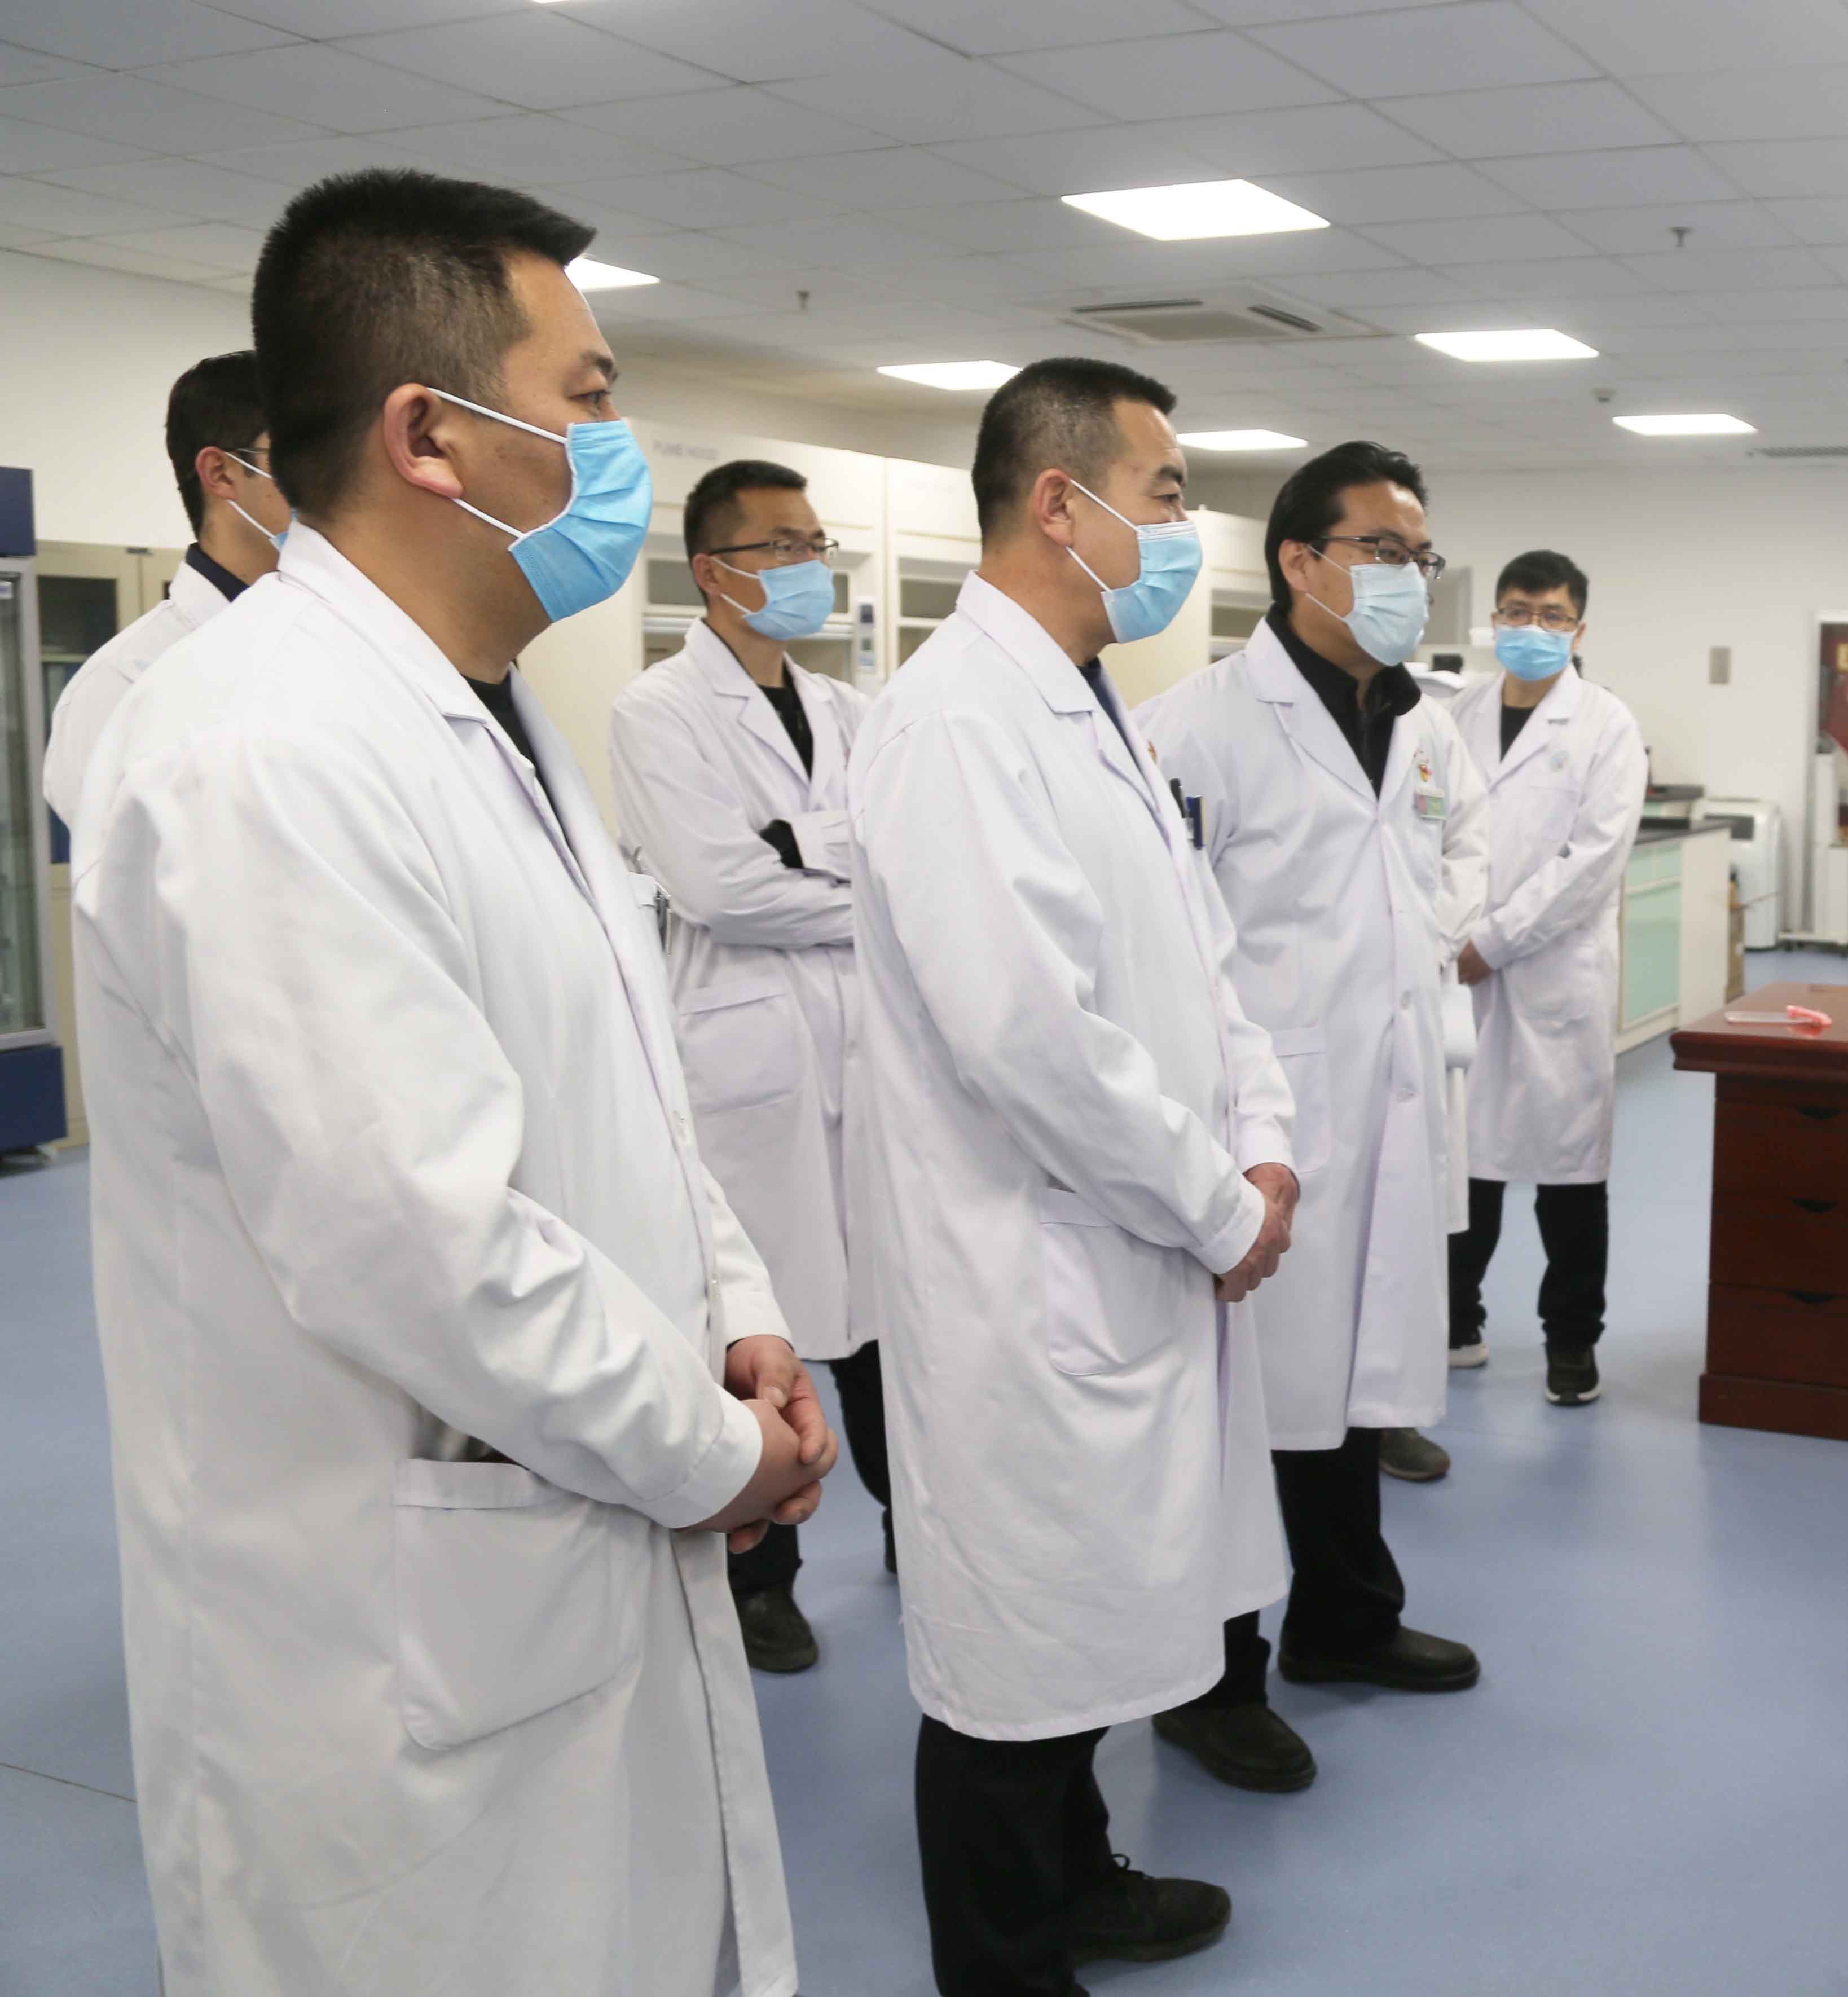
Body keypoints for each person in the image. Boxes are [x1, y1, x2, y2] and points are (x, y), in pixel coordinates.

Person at [72, 168, 830, 1997]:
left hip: (567, 1517)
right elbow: (416, 1239)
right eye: (588, 397)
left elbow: (628, 1079)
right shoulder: (260, 748)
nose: (616, 449)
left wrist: (735, 1311)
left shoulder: (485, 713)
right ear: (431, 436)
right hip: (384, 1637)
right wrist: (710, 1449)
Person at [845, 356, 1295, 1996]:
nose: (1181, 525)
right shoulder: (955, 721)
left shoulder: (1083, 698)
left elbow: (1201, 959)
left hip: (1131, 1240)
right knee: (1012, 1661)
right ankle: (1003, 1964)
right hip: (1029, 1275)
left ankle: (1081, 1879)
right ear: (1059, 501)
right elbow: (1032, 1036)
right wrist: (1220, 1203)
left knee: (1089, 1622)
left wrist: (1260, 1134)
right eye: (1165, 492)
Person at [1139, 441, 1490, 1795]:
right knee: (1247, 1404)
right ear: (1299, 560)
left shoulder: (1421, 719)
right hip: (1263, 1120)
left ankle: (1346, 1618)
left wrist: (1430, 939)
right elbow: (1170, 945)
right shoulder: (1197, 726)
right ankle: (1211, 1681)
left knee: (1349, 1385)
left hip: (1390, 1097)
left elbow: (1450, 859)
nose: (1409, 577)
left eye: (1420, 555)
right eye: (1382, 551)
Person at [611, 458, 891, 1675]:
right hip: (743, 1057)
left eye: (813, 544)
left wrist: (802, 849)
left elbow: (896, 857)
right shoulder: (656, 712)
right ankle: (760, 1575)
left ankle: (921, 1528)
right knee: (753, 1330)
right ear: (712, 571)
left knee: (887, 1318)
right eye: (779, 547)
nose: (806, 566)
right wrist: (853, 885)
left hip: (861, 1052)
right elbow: (719, 888)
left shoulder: (850, 712)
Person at [1447, 549, 1647, 1406]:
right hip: (1460, 967)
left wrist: (1492, 941)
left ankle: (1571, 1345)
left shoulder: (1607, 725)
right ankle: (1456, 1320)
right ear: (1494, 618)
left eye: (1552, 616)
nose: (1533, 628)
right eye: (1518, 612)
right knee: (1466, 1164)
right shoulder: (1455, 714)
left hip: (1553, 974)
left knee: (1568, 1175)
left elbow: (1591, 862)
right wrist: (1454, 935)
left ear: (1579, 628)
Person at [40, 349, 292, 835]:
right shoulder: (121, 686)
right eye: (299, 456)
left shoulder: (343, 642)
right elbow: (120, 866)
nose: (331, 483)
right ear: (221, 473)